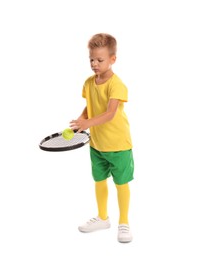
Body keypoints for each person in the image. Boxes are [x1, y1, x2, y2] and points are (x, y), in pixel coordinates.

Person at [70, 33, 134, 243]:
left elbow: (110, 113)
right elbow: (90, 105)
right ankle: (102, 218)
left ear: (112, 59)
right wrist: (80, 120)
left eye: (100, 60)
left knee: (121, 183)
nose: (94, 64)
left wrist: (87, 124)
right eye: (91, 59)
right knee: (99, 181)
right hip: (96, 145)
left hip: (118, 145)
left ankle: (123, 222)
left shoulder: (117, 84)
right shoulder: (89, 82)